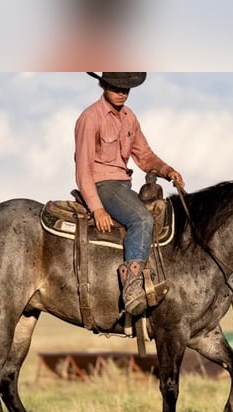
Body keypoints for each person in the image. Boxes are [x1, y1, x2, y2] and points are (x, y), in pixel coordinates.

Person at [74, 72, 185, 316]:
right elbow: (83, 169)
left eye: (127, 88)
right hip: (103, 186)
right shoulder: (90, 118)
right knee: (142, 219)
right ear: (104, 85)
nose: (122, 92)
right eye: (116, 87)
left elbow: (144, 156)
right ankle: (133, 288)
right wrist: (97, 207)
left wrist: (167, 171)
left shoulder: (129, 117)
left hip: (124, 186)